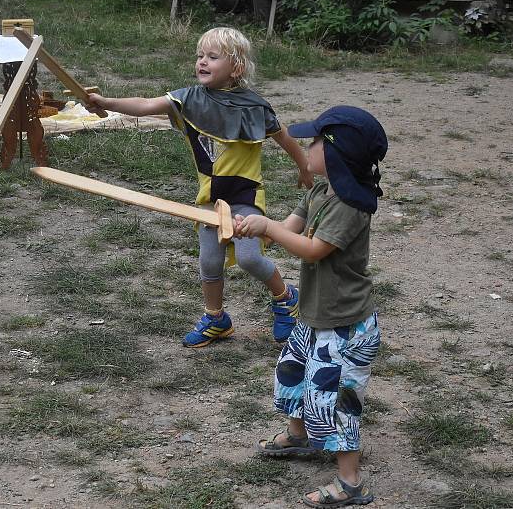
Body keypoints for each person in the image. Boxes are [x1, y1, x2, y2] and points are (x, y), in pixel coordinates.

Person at [87, 27, 313, 348]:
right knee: (209, 261)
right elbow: (145, 103)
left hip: (246, 196)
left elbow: (285, 138)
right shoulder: (189, 99)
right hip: (210, 199)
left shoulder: (255, 107)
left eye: (212, 57)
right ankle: (216, 318)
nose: (202, 62)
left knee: (249, 259)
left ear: (235, 67)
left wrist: (304, 167)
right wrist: (106, 102)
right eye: (199, 56)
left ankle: (285, 297)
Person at [234, 105, 387, 507]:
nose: (308, 146)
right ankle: (299, 436)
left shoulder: (350, 206)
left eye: (316, 140)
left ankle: (351, 482)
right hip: (316, 316)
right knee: (292, 372)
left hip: (345, 325)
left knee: (336, 400)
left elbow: (315, 250)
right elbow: (288, 230)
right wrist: (255, 229)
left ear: (336, 153)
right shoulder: (321, 190)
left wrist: (268, 230)